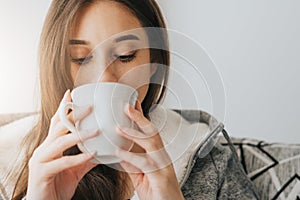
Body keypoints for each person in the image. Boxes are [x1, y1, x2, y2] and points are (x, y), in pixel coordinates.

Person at [0, 0, 259, 199]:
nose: (104, 79)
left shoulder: (210, 162)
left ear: (154, 64)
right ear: (55, 65)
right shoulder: (7, 164)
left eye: (125, 56)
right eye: (80, 58)